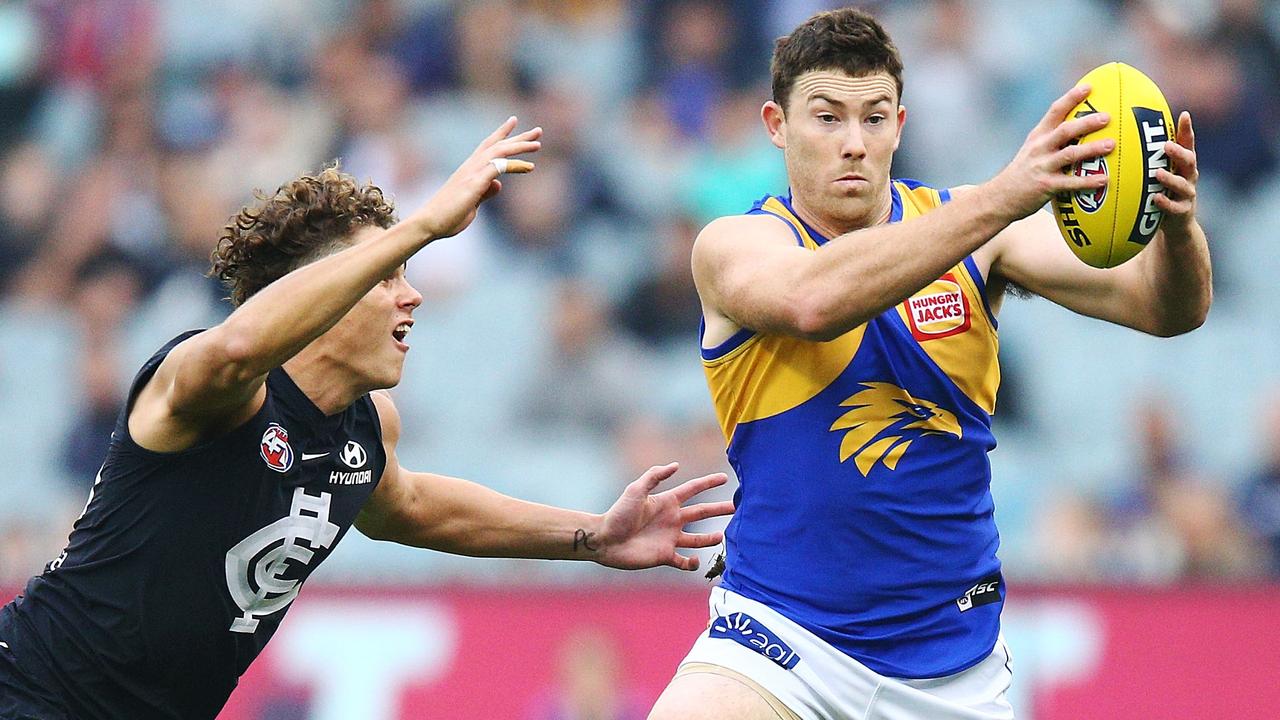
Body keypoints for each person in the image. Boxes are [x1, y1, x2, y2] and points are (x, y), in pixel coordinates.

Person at [0, 117, 734, 720]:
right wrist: (419, 226)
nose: (410, 297)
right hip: (32, 693)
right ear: (316, 294)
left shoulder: (364, 426)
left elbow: (407, 508)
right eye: (387, 277)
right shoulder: (212, 386)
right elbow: (245, 342)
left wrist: (588, 536)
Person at [649, 8, 1210, 720]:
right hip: (780, 643)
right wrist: (1006, 194)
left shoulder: (978, 235)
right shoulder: (735, 246)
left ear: (901, 126)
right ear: (776, 125)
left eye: (874, 118)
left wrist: (1179, 225)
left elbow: (1169, 310)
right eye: (827, 118)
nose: (854, 143)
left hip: (952, 667)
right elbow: (813, 301)